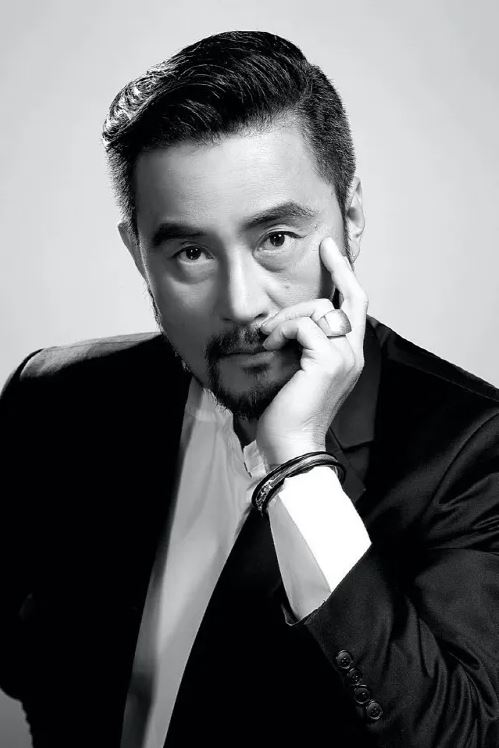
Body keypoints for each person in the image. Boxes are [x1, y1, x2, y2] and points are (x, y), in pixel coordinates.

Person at [1, 30, 498, 748]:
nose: (240, 303)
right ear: (138, 255)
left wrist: (298, 464)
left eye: (275, 239)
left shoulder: (473, 451)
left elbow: (456, 737)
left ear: (352, 217)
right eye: (191, 252)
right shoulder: (58, 396)